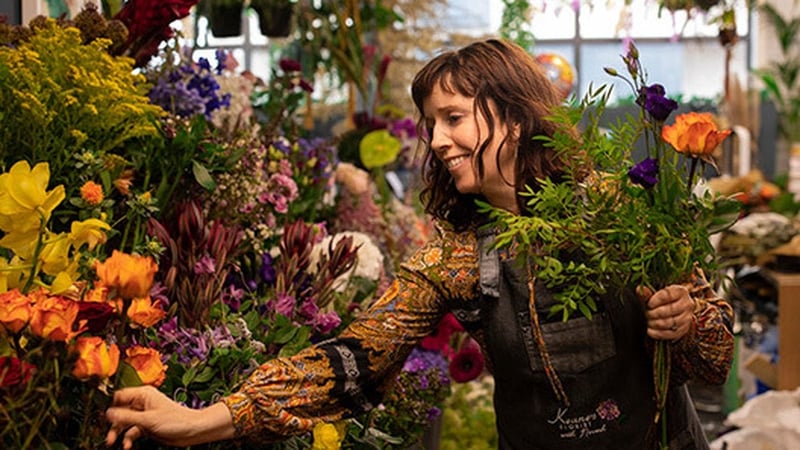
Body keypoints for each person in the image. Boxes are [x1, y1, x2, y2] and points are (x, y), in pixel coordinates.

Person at [105, 39, 734, 450]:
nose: (434, 140)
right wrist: (201, 420)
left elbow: (716, 359)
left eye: (453, 117)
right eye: (431, 123)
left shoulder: (620, 210)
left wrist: (686, 320)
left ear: (513, 118)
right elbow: (355, 357)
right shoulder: (455, 256)